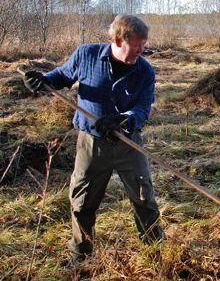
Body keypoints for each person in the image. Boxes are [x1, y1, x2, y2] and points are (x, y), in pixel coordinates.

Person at [23, 14, 163, 262]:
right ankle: (81, 258)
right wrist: (42, 80)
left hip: (128, 143)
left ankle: (158, 254)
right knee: (82, 203)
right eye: (136, 46)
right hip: (91, 144)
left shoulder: (144, 71)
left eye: (144, 46)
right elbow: (60, 77)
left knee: (145, 200)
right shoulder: (86, 56)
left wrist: (125, 118)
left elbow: (143, 107)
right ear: (119, 40)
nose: (141, 51)